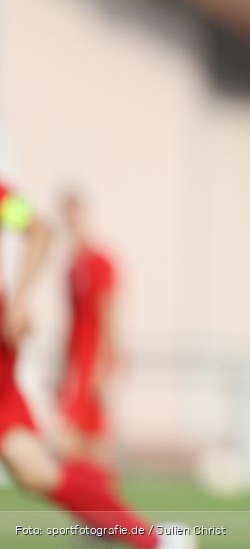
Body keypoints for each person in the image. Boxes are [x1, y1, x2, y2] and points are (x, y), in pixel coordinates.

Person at [0, 181, 191, 548]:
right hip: (69, 364)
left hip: (42, 368)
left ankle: (147, 539)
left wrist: (19, 300)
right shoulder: (73, 267)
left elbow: (37, 230)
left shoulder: (4, 198)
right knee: (48, 461)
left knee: (45, 464)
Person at [58, 192, 118, 472]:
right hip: (76, 360)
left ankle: (107, 509)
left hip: (93, 359)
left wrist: (103, 367)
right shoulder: (71, 267)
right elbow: (69, 322)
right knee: (82, 443)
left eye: (75, 215)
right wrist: (63, 367)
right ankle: (97, 509)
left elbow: (109, 317)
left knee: (79, 440)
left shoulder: (101, 262)